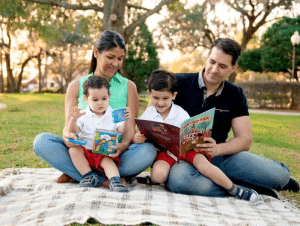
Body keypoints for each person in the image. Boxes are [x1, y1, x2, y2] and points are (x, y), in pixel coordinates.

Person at [165, 38, 299, 198]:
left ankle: (238, 181)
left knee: (280, 177)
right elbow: (155, 113)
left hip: (222, 157)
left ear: (233, 68)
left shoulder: (235, 94)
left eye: (222, 66)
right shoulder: (179, 82)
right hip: (187, 159)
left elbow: (245, 139)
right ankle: (241, 188)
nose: (214, 69)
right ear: (207, 57)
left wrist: (217, 149)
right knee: (179, 181)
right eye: (212, 62)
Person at [33, 30, 157, 186]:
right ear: (96, 52)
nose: (115, 63)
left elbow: (129, 129)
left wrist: (123, 145)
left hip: (114, 156)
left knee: (148, 151)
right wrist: (67, 135)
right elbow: (69, 127)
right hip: (83, 152)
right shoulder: (76, 86)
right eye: (110, 57)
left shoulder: (128, 87)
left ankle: (80, 175)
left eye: (120, 59)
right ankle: (107, 179)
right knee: (41, 141)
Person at [134, 70, 259, 202]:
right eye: (156, 98)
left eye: (165, 98)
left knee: (205, 167)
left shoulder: (180, 113)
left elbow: (191, 130)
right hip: (166, 152)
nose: (160, 103)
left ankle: (235, 189)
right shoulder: (149, 113)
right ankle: (153, 179)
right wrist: (137, 137)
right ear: (149, 95)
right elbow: (141, 131)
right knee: (158, 176)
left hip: (187, 149)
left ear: (174, 96)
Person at [67, 76, 130, 192]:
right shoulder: (83, 114)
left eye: (104, 99)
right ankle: (89, 175)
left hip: (103, 152)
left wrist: (125, 120)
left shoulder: (114, 114)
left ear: (109, 97)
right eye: (95, 100)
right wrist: (73, 119)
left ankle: (115, 180)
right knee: (73, 150)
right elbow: (74, 131)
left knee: (107, 161)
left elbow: (121, 131)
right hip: (85, 151)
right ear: (86, 99)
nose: (100, 103)